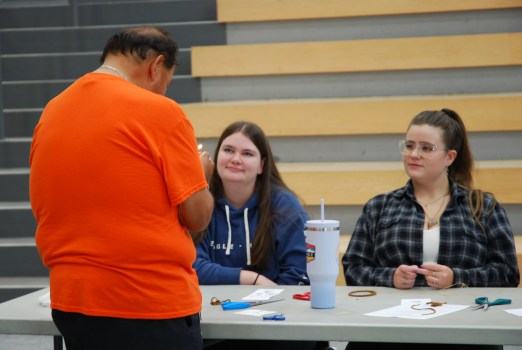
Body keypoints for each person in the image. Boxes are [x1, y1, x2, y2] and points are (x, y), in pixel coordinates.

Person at [30, 26, 214, 350]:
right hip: (150, 307)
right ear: (155, 67)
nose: (163, 95)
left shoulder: (50, 113)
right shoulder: (161, 112)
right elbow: (198, 218)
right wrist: (201, 175)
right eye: (166, 85)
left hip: (72, 305)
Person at [342, 108, 519, 350]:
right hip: (389, 332)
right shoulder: (379, 206)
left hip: (466, 332)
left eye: (426, 148)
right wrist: (390, 277)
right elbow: (354, 269)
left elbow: (508, 274)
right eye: (409, 145)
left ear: (449, 157)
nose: (414, 154)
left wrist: (457, 278)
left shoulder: (482, 206)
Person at [191, 122, 328, 350]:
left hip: (276, 322)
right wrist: (251, 278)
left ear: (262, 165)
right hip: (216, 318)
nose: (236, 159)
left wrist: (263, 306)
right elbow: (192, 266)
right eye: (228, 150)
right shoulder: (201, 202)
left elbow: (300, 275)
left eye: (247, 153)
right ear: (216, 158)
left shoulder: (284, 206)